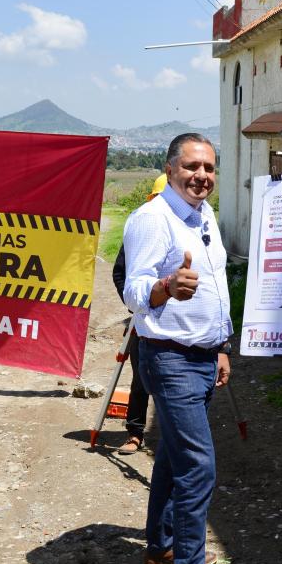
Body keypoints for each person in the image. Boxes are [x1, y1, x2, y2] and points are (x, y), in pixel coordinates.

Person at [122, 133, 232, 564]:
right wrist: (167, 287)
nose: (201, 176)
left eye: (208, 167)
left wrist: (220, 347)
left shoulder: (202, 214)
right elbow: (134, 291)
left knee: (171, 455)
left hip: (202, 357)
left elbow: (214, 283)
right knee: (198, 467)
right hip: (169, 360)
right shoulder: (152, 218)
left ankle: (161, 547)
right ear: (170, 169)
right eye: (191, 166)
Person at [111, 174, 167, 455]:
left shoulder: (186, 233)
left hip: (177, 323)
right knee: (140, 377)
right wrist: (134, 303)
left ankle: (173, 434)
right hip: (143, 317)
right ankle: (135, 432)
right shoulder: (141, 231)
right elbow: (119, 273)